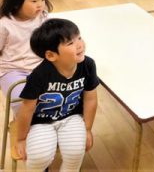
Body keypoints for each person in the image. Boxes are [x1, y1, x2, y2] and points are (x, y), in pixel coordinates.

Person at [15, 18, 99, 171]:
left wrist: (87, 129)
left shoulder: (88, 65)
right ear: (51, 55)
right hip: (41, 122)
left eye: (79, 37)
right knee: (39, 157)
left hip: (72, 117)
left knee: (75, 153)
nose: (80, 44)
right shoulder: (39, 75)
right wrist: (21, 139)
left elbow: (90, 99)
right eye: (70, 43)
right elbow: (26, 109)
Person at [0, 0, 52, 113]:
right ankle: (24, 124)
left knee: (55, 98)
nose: (40, 4)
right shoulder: (4, 24)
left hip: (42, 66)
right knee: (23, 103)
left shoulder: (43, 17)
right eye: (34, 1)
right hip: (12, 70)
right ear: (16, 3)